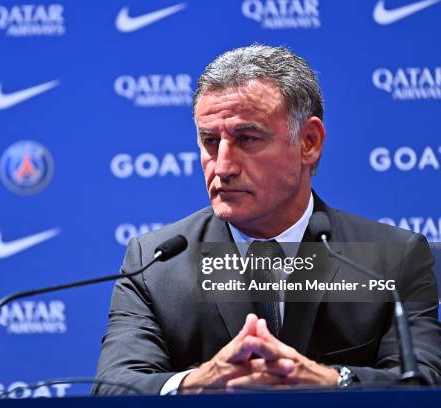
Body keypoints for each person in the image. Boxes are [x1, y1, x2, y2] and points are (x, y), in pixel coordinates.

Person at [92, 45, 441, 395]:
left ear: (309, 142)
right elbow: (112, 389)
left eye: (247, 139)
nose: (223, 167)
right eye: (210, 141)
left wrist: (332, 381)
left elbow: (425, 383)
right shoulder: (154, 263)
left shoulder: (392, 260)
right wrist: (199, 380)